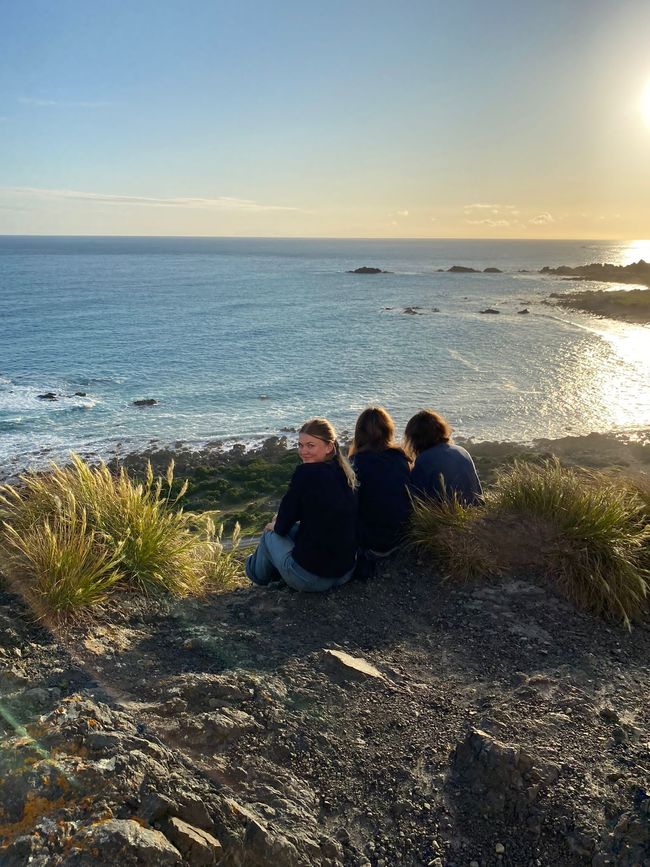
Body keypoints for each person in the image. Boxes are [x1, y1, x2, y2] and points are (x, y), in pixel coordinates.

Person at [245, 418, 358, 592]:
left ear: (329, 446)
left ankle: (255, 576)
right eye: (300, 445)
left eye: (311, 445)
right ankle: (267, 571)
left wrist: (276, 524)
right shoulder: (344, 473)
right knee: (290, 528)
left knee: (269, 534)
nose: (303, 451)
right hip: (344, 573)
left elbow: (281, 526)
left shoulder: (305, 474)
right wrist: (281, 521)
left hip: (311, 580)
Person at [349, 406, 412, 557]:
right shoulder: (401, 458)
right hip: (400, 537)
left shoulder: (357, 463)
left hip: (370, 541)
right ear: (388, 430)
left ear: (359, 433)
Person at [404, 409, 483, 506]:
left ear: (415, 438)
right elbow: (478, 492)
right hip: (475, 512)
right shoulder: (462, 451)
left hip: (448, 517)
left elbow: (415, 500)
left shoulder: (425, 460)